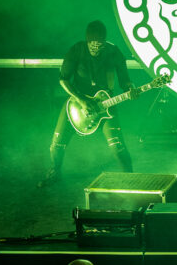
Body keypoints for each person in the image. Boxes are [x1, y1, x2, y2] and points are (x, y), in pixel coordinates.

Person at [38, 20, 138, 187]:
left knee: (117, 145)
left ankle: (131, 179)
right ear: (87, 41)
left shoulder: (114, 52)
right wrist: (82, 100)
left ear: (105, 42)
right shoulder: (77, 50)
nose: (95, 48)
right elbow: (63, 80)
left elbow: (125, 80)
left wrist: (131, 88)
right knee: (57, 143)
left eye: (100, 45)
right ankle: (55, 172)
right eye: (92, 44)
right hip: (77, 104)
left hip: (106, 104)